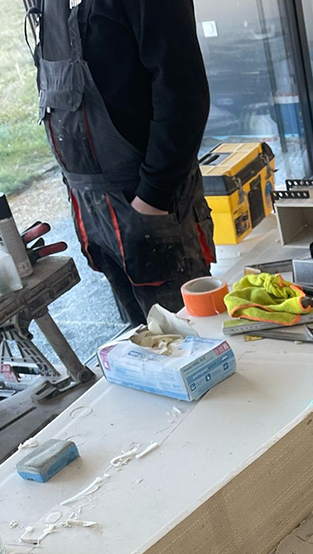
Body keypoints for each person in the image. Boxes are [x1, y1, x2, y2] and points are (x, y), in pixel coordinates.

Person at [29, 0, 215, 324]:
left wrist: (152, 198)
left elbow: (183, 93)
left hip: (151, 201)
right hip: (93, 208)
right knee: (143, 338)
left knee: (188, 337)